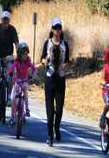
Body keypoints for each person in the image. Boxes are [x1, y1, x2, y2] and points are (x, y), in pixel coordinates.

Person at [41, 17, 70, 146]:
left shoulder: (65, 44)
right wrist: (45, 61)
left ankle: (57, 127)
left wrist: (66, 65)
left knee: (59, 109)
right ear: (52, 29)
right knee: (50, 110)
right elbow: (41, 59)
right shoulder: (47, 43)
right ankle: (49, 135)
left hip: (61, 79)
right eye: (55, 28)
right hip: (49, 78)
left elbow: (68, 60)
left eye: (59, 28)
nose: (57, 30)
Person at [0, 11, 19, 104]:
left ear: (9, 20)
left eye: (7, 19)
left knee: (10, 75)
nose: (5, 21)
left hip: (8, 56)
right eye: (4, 19)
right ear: (1, 20)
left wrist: (18, 54)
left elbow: (16, 43)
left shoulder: (12, 30)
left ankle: (8, 96)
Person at [8, 42, 36, 124]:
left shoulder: (28, 62)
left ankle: (27, 109)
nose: (25, 56)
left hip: (24, 81)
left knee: (25, 91)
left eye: (26, 54)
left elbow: (34, 69)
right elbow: (11, 68)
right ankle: (12, 117)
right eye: (23, 54)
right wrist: (10, 73)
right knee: (13, 98)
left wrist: (33, 75)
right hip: (17, 82)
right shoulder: (16, 62)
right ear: (19, 54)